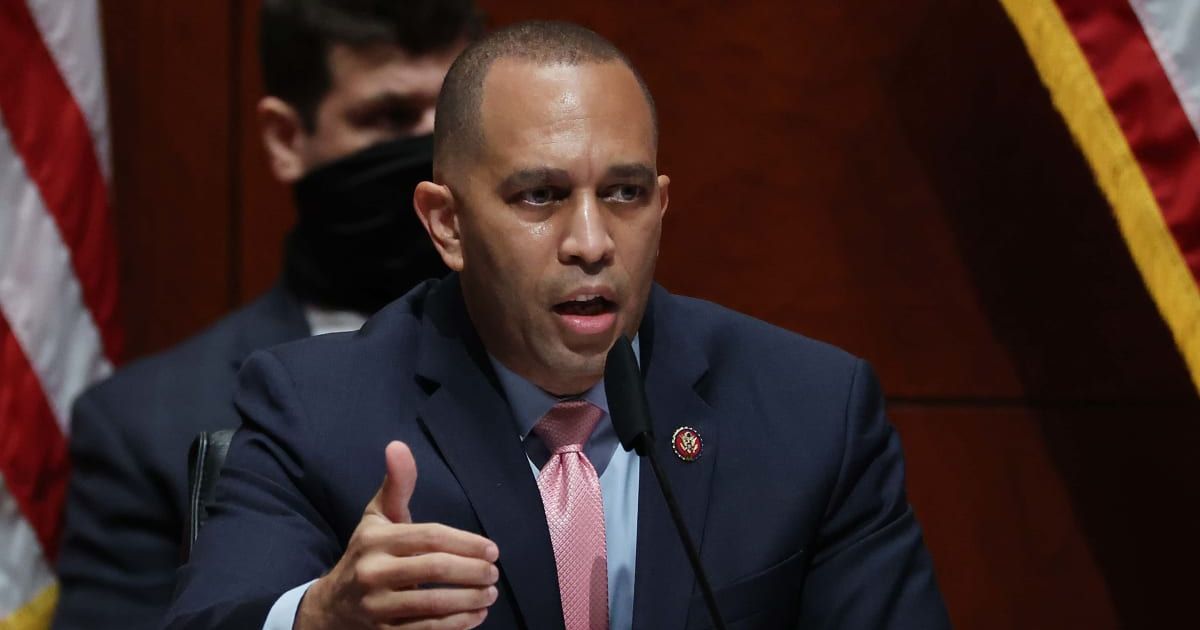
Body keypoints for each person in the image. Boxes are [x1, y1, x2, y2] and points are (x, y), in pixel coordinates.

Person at [164, 21, 950, 630]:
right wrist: (322, 616)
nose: (592, 242)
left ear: (661, 206)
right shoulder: (317, 409)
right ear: (447, 225)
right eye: (539, 196)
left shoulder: (812, 412)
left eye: (624, 194)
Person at [52, 2, 481, 628]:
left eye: (452, 120)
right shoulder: (144, 428)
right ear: (286, 138)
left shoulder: (580, 381)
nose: (431, 151)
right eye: (391, 117)